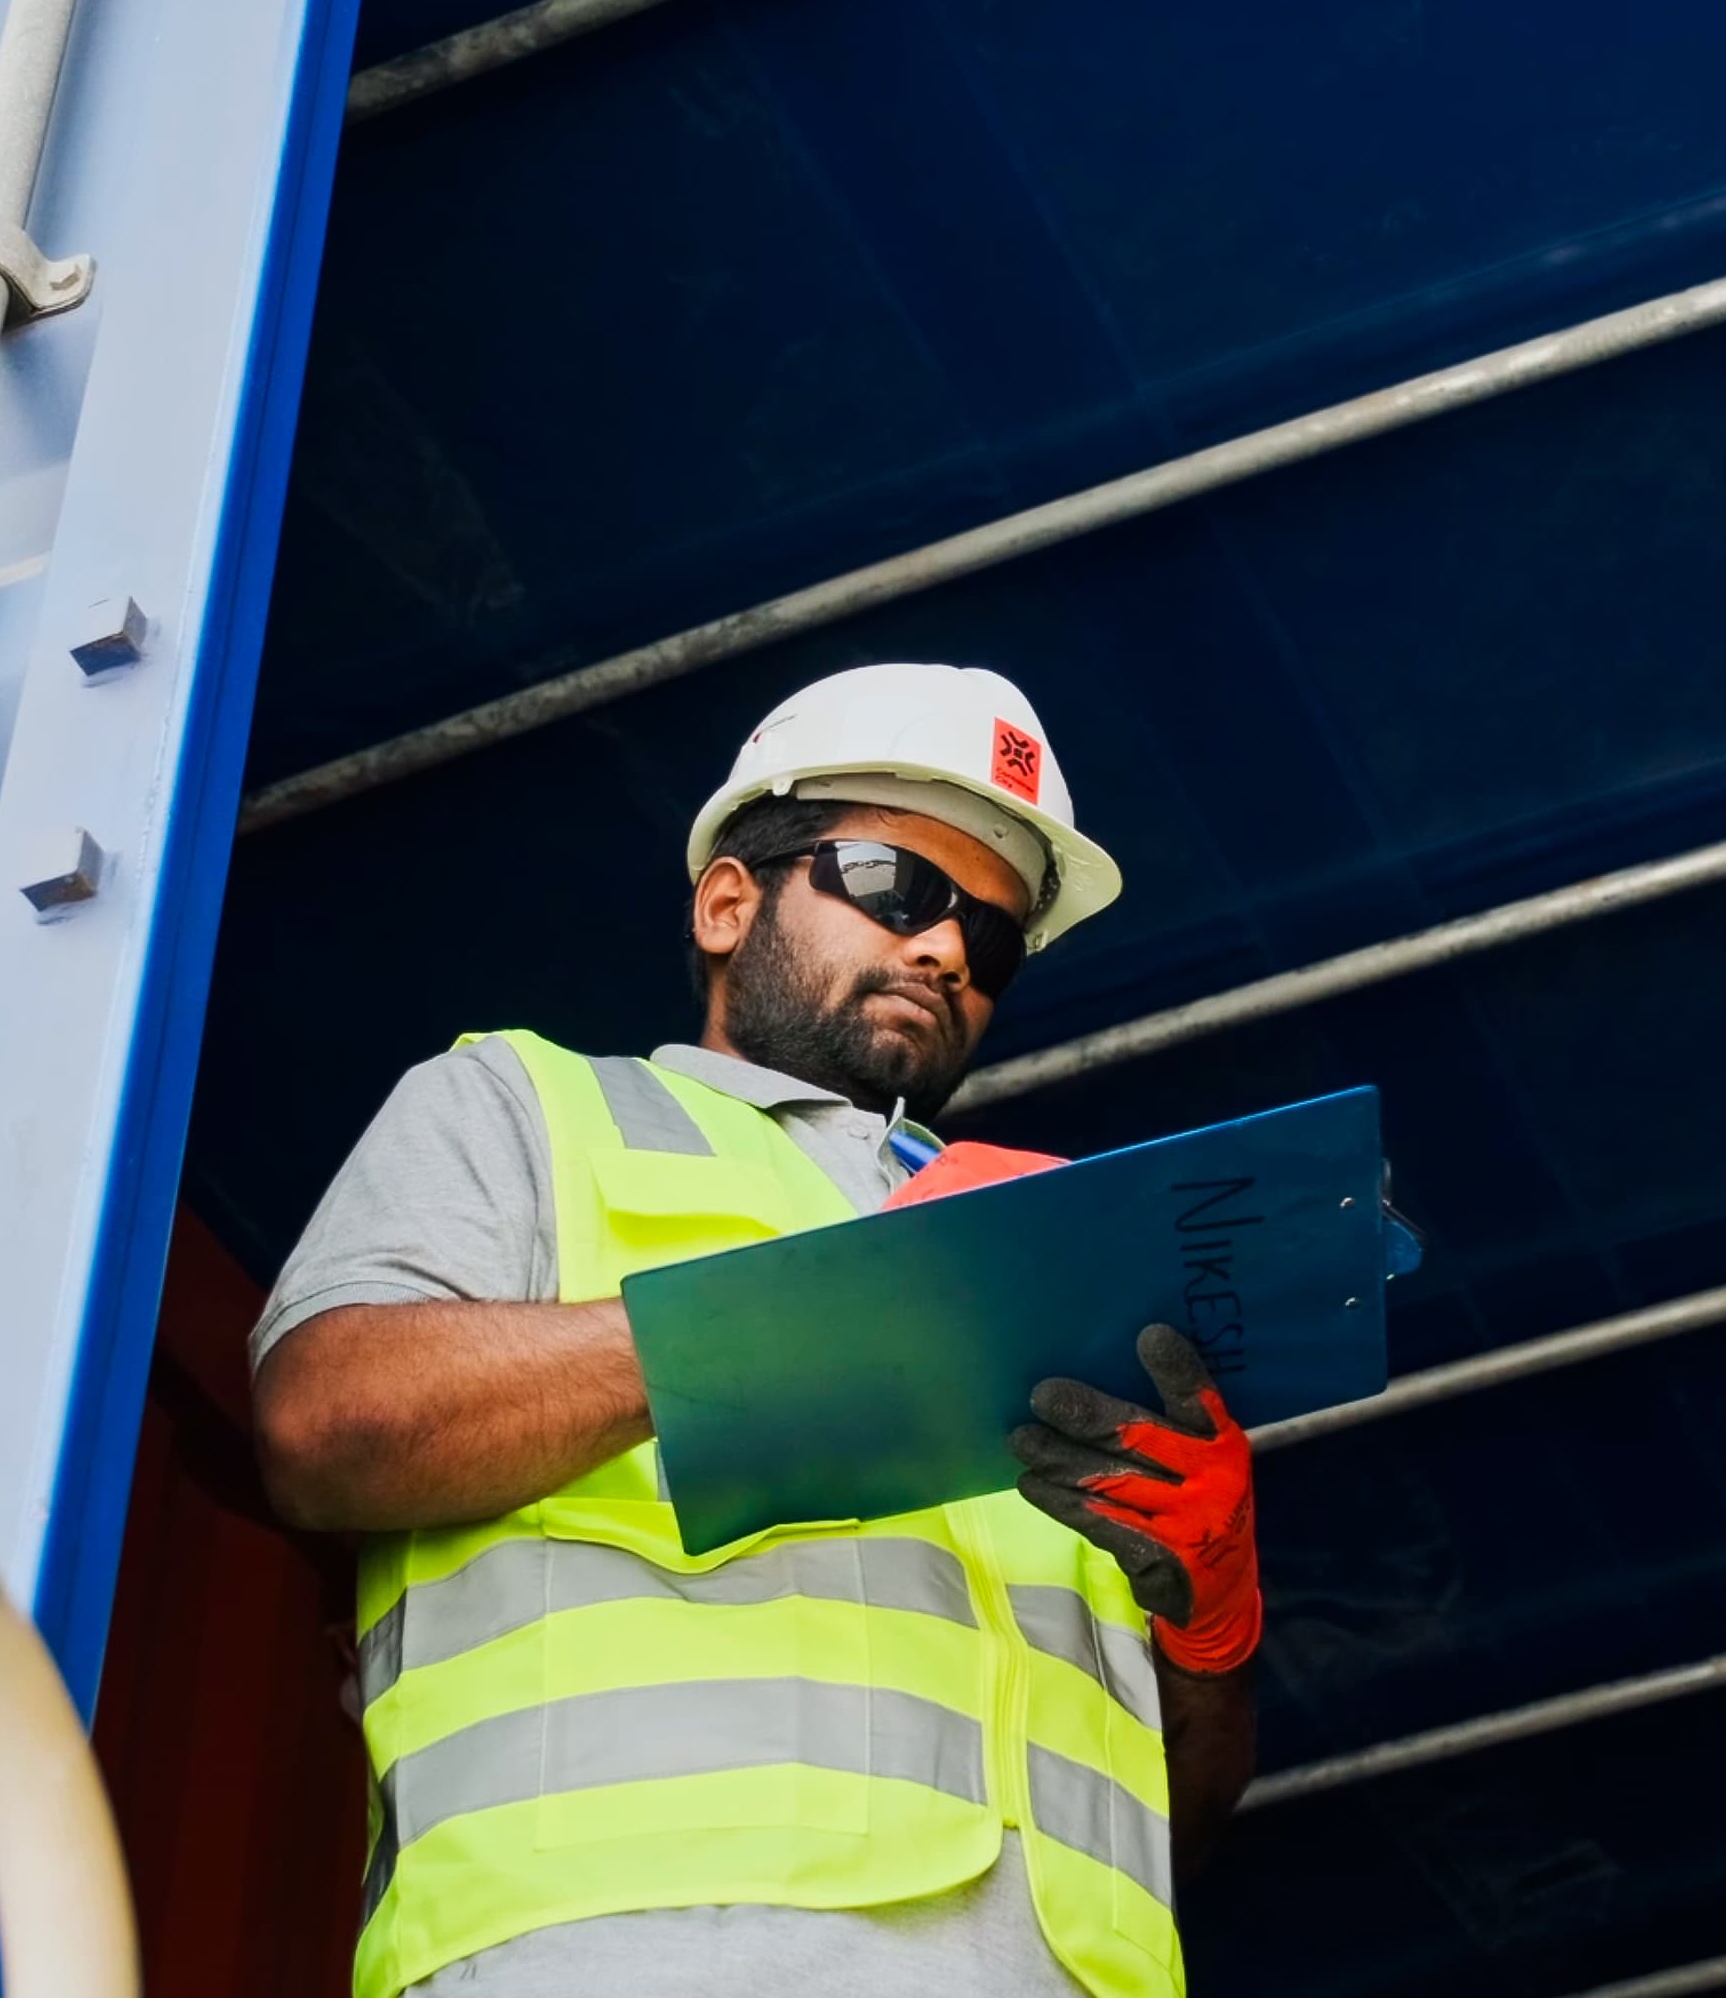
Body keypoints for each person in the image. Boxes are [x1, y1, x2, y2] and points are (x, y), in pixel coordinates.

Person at [252, 663, 1261, 1998]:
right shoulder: (527, 1107)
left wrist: (1214, 1633)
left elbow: (1160, 1833)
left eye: (993, 938)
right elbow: (325, 1420)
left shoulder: (1048, 1255)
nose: (950, 950)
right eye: (899, 888)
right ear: (730, 901)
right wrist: (748, 1327)